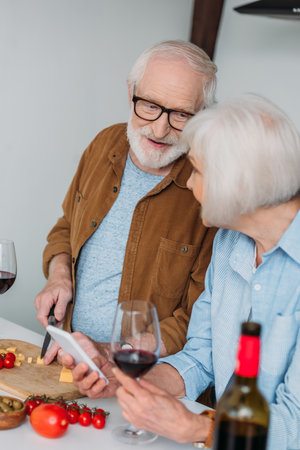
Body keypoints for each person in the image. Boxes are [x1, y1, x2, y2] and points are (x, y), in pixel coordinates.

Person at [110, 94, 300, 450]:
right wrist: (135, 383)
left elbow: (296, 424)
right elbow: (203, 354)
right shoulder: (230, 241)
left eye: (197, 170)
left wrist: (200, 429)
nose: (190, 184)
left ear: (239, 183)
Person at [34, 40, 217, 366]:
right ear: (130, 91)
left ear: (202, 115)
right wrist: (59, 274)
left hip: (144, 377)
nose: (160, 129)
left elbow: (201, 317)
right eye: (149, 105)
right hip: (65, 358)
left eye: (181, 114)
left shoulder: (211, 189)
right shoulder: (104, 143)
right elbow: (65, 228)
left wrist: (116, 355)